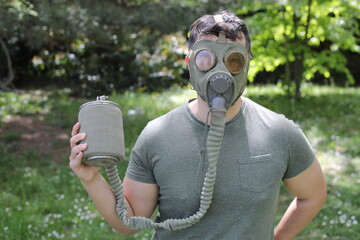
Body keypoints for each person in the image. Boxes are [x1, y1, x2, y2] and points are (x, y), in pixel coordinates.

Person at [69, 10, 327, 240]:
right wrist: (91, 178)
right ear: (190, 64)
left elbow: (312, 195)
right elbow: (130, 221)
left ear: (247, 64)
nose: (221, 72)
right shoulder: (158, 135)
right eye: (206, 58)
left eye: (234, 60)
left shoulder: (279, 133)